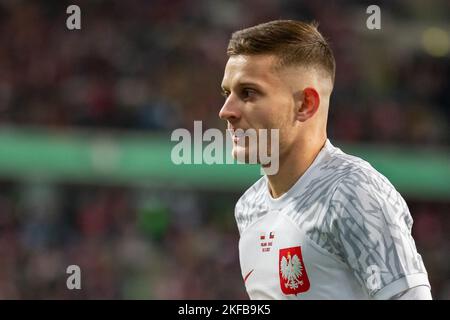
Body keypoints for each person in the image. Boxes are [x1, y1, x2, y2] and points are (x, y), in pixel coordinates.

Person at [218, 20, 431, 300]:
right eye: (227, 93)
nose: (226, 111)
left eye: (248, 93)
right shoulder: (249, 207)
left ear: (305, 104)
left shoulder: (352, 192)